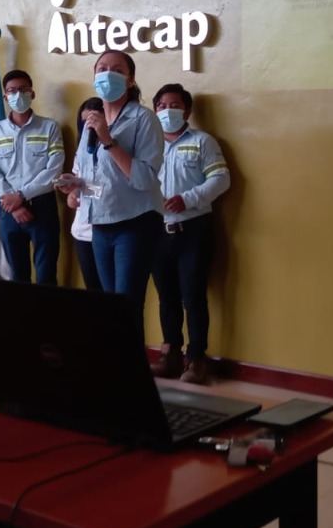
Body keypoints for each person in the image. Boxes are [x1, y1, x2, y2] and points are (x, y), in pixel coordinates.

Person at [56, 50, 164, 345]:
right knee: (110, 305)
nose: (107, 74)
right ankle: (113, 368)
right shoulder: (92, 122)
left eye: (117, 70)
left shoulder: (144, 119)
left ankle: (132, 373)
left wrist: (108, 140)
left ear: (130, 80)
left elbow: (144, 179)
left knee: (127, 305)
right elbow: (99, 180)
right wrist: (76, 185)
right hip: (100, 224)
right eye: (102, 68)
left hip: (136, 223)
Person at [148, 84, 230, 383]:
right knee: (166, 297)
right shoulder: (148, 145)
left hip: (193, 230)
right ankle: (169, 354)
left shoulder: (202, 141)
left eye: (175, 105)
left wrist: (188, 198)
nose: (167, 111)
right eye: (162, 106)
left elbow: (221, 178)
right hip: (156, 231)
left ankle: (196, 359)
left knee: (193, 296)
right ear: (154, 110)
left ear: (187, 111)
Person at [0, 70, 64, 285]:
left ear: (32, 93)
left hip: (42, 208)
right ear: (5, 97)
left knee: (46, 275)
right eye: (12, 91)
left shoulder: (49, 127)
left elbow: (54, 170)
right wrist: (14, 204)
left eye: (23, 89)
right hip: (9, 211)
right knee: (17, 278)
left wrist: (20, 196)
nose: (17, 95)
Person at [66, 97, 104, 292]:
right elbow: (79, 180)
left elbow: (113, 189)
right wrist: (72, 193)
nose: (88, 126)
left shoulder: (114, 147)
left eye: (93, 120)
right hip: (82, 232)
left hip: (106, 231)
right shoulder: (81, 149)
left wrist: (83, 190)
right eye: (84, 122)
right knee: (93, 291)